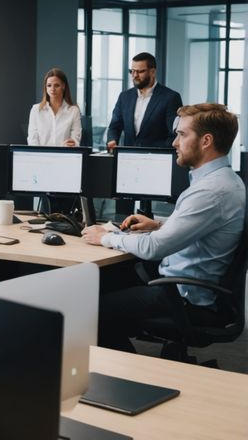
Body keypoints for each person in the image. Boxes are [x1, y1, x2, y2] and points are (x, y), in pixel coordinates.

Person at [81, 103, 244, 353]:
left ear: (206, 141)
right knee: (104, 280)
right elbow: (205, 227)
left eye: (182, 134)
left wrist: (106, 237)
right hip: (184, 284)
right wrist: (159, 224)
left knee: (88, 308)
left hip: (183, 297)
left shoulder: (210, 192)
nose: (174, 143)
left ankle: (127, 381)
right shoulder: (226, 181)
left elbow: (154, 247)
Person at [106, 52, 183, 151]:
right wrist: (112, 140)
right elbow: (114, 127)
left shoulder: (171, 98)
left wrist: (161, 153)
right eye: (132, 71)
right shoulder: (124, 97)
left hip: (158, 160)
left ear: (152, 72)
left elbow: (174, 133)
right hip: (127, 158)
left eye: (140, 71)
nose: (134, 76)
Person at [27, 68, 82, 147]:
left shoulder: (74, 111)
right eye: (49, 85)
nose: (52, 89)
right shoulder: (36, 110)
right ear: (46, 87)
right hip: (40, 157)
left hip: (65, 156)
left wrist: (72, 144)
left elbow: (75, 140)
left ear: (63, 86)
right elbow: (32, 139)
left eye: (56, 85)